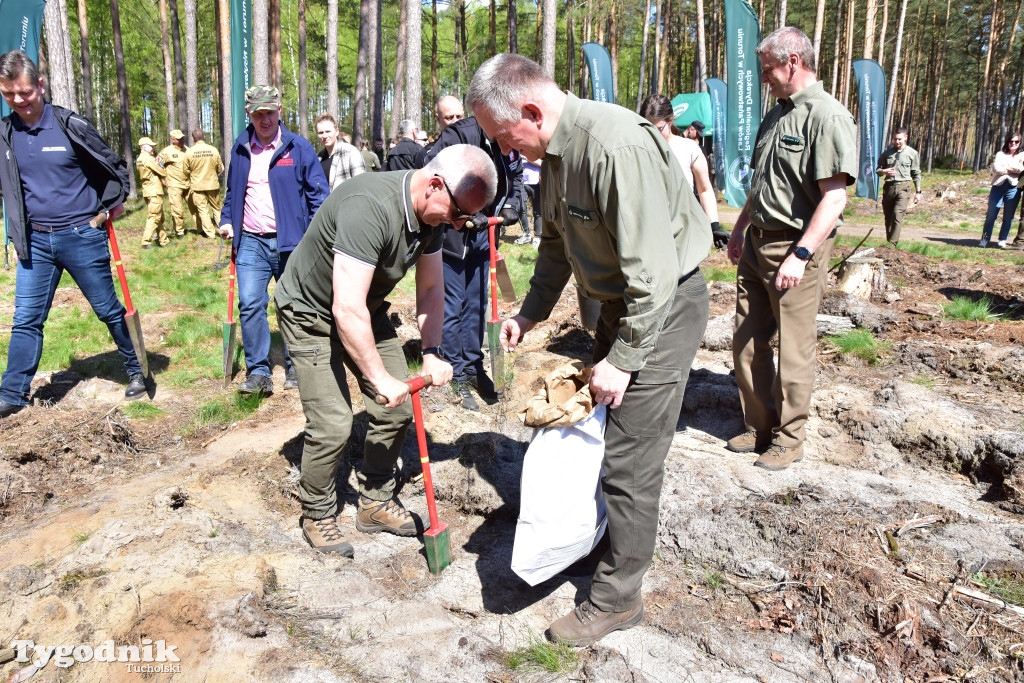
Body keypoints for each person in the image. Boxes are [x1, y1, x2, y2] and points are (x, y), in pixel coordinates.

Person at [467, 53, 711, 647]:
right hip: (618, 310)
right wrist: (529, 313)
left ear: (530, 110)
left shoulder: (613, 146)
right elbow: (555, 246)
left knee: (630, 458)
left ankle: (618, 597)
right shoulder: (551, 157)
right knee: (604, 438)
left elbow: (653, 275)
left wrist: (623, 360)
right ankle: (602, 543)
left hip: (661, 310)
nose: (506, 151)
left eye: (504, 137)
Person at [273, 144, 497, 555]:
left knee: (395, 405)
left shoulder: (431, 218)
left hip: (364, 307)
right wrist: (378, 378)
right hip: (311, 310)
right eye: (457, 214)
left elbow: (430, 287)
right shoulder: (368, 207)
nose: (459, 224)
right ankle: (318, 511)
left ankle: (374, 501)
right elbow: (344, 307)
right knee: (335, 422)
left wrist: (431, 350)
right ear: (434, 185)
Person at [725, 27, 857, 471]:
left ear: (793, 62)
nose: (764, 79)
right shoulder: (776, 115)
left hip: (794, 247)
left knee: (795, 349)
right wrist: (742, 226)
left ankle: (789, 438)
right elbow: (763, 183)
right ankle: (758, 425)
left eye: (768, 71)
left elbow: (834, 197)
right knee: (745, 342)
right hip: (756, 243)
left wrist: (800, 255)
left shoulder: (827, 116)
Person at [0, 50, 148, 418]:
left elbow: (114, 167)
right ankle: (12, 393)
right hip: (34, 241)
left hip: (81, 235)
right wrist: (16, 234)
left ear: (41, 85)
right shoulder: (4, 133)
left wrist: (110, 206)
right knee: (26, 318)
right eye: (9, 94)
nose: (19, 100)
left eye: (25, 92)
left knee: (108, 310)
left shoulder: (69, 125)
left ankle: (137, 370)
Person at [219, 85, 328, 395]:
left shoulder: (298, 148)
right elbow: (233, 193)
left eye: (269, 113)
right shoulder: (240, 148)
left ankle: (297, 366)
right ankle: (258, 372)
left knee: (293, 304)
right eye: (258, 114)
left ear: (280, 111)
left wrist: (314, 235)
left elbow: (319, 196)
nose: (264, 119)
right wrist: (228, 221)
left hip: (292, 242)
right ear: (249, 115)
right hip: (251, 241)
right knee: (251, 304)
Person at [424, 116, 524, 411]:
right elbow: (431, 174)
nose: (511, 148)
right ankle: (457, 373)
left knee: (477, 304)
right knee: (453, 306)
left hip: (485, 235)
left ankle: (474, 366)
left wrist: (511, 205)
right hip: (452, 239)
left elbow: (515, 177)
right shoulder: (461, 134)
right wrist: (464, 214)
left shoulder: (509, 142)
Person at [639, 94, 726, 248]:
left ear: (670, 120)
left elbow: (705, 190)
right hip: (647, 235)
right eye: (648, 128)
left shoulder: (689, 148)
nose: (653, 134)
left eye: (658, 128)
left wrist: (714, 226)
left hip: (683, 236)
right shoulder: (637, 149)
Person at [875, 126, 922, 244]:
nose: (897, 142)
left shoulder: (912, 153)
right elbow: (878, 171)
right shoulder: (887, 154)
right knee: (889, 217)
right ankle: (889, 242)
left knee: (897, 214)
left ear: (905, 138)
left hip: (904, 188)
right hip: (889, 188)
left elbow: (916, 173)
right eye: (895, 139)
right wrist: (884, 171)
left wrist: (918, 192)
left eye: (899, 139)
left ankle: (892, 244)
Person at [978, 132, 1024, 249]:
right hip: (998, 186)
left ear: (1020, 143)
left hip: (1013, 187)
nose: (1013, 143)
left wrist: (1008, 168)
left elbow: (1021, 169)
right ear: (1007, 142)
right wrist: (1012, 169)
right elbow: (996, 168)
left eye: (1016, 142)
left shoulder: (1022, 155)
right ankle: (985, 238)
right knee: (991, 214)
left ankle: (1002, 239)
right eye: (1011, 141)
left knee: (1008, 216)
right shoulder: (1000, 154)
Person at [157, 129, 199, 237]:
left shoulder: (187, 150)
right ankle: (179, 231)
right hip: (174, 184)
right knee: (177, 209)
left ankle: (201, 228)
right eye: (179, 139)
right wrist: (162, 177)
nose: (181, 141)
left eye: (182, 138)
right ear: (173, 140)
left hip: (188, 183)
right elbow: (156, 165)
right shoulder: (166, 151)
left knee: (195, 206)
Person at [183, 129, 224, 239]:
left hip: (197, 185)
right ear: (204, 137)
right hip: (212, 184)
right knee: (216, 208)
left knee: (202, 209)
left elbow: (185, 170)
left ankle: (210, 233)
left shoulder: (189, 152)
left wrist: (193, 175)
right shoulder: (213, 150)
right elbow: (220, 168)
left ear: (193, 139)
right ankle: (223, 230)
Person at [315, 113, 365, 191]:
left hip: (348, 202)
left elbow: (361, 185)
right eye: (321, 133)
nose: (324, 136)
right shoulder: (318, 157)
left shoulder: (351, 152)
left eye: (328, 131)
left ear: (337, 131)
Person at [136, 136, 169, 248]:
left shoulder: (139, 159)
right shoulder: (149, 159)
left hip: (147, 190)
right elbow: (162, 172)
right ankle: (146, 241)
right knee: (154, 216)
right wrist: (161, 165)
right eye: (151, 146)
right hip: (154, 190)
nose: (153, 148)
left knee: (158, 215)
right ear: (144, 147)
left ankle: (164, 240)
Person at [516, 158, 541, 246]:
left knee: (538, 211)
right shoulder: (517, 149)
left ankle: (537, 237)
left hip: (537, 182)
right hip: (521, 182)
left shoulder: (535, 150)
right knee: (520, 207)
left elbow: (542, 163)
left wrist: (526, 158)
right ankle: (526, 234)